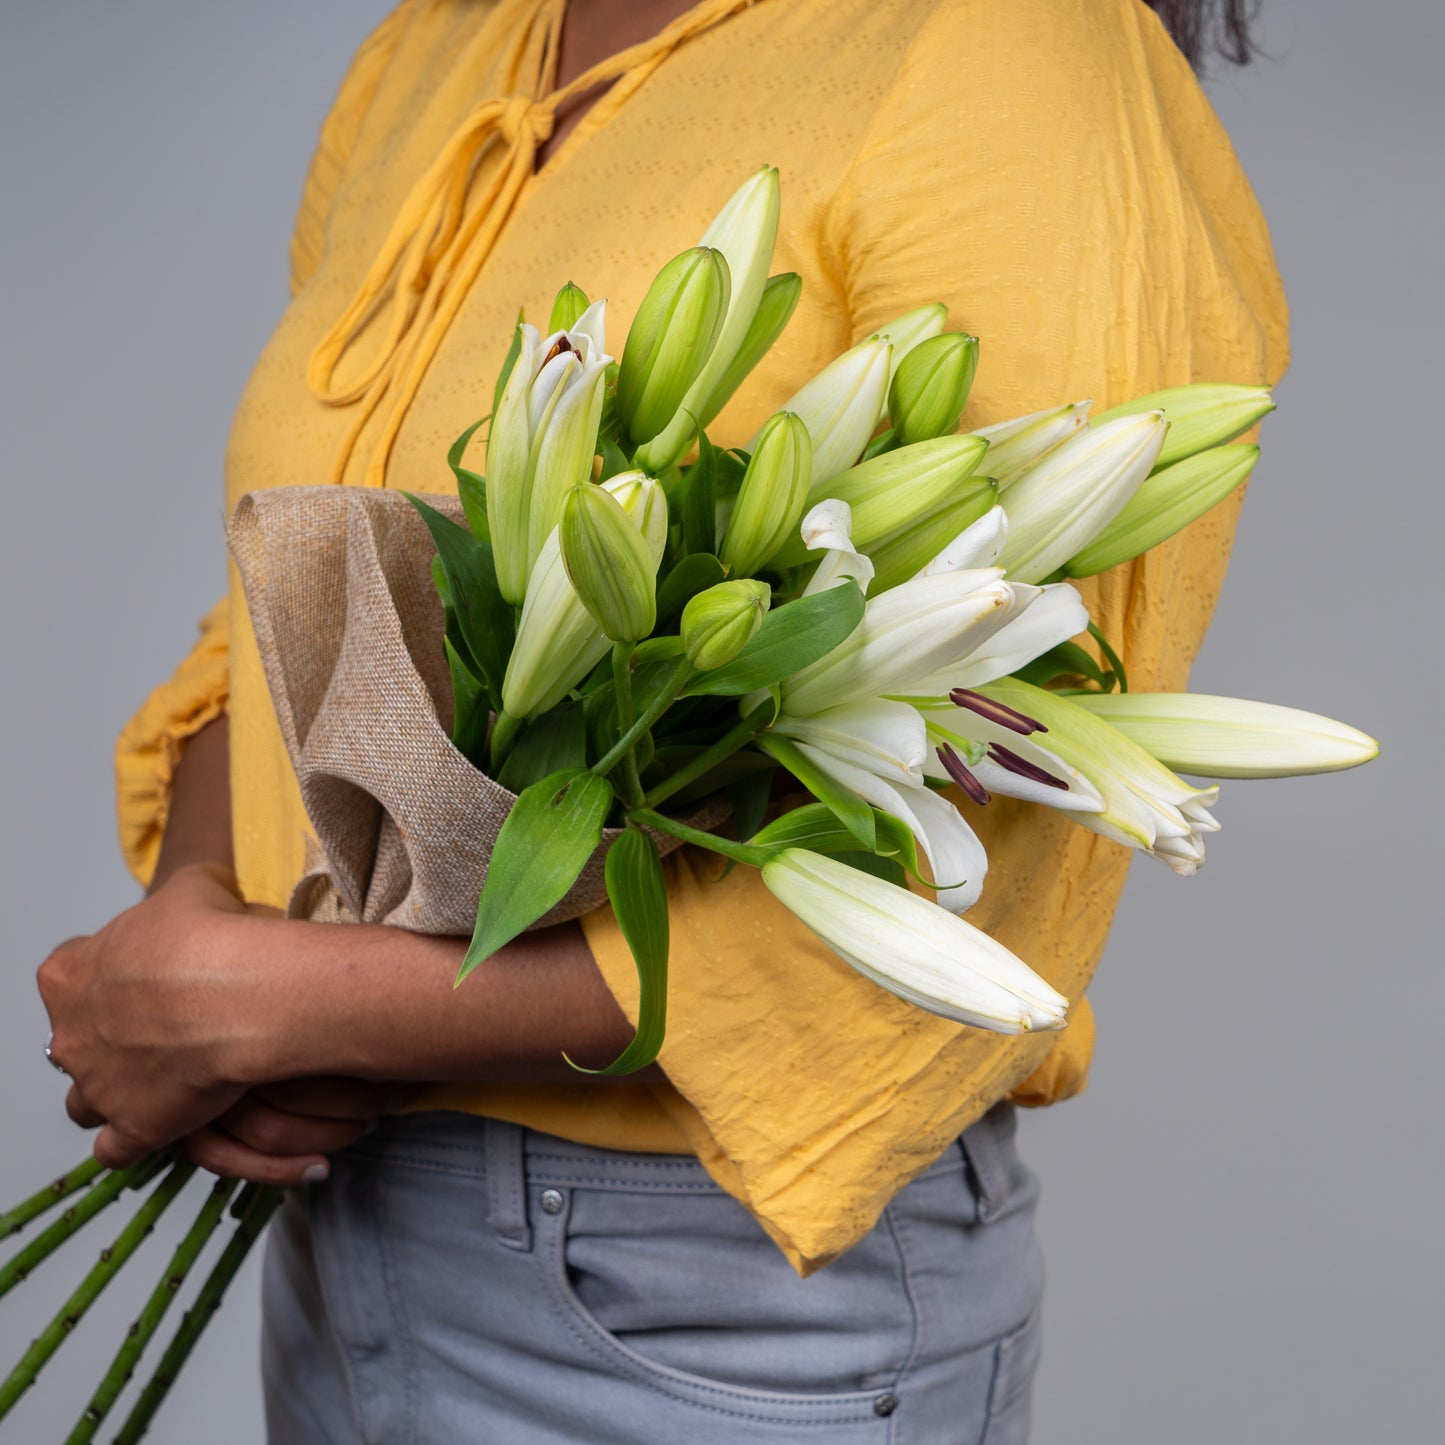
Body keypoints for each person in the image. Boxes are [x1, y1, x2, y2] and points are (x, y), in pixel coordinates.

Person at [37, 1, 1286, 1439]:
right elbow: (286, 601)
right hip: (340, 1228)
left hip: (701, 1287)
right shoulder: (440, 48)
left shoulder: (1009, 48)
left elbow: (990, 829)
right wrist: (201, 942)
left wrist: (294, 1005)